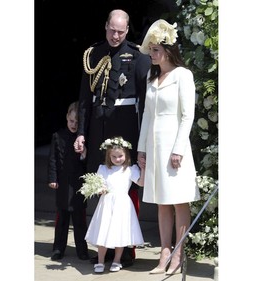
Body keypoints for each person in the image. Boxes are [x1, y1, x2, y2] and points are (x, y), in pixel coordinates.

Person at [74, 9, 151, 266]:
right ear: (105, 26)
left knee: (126, 186)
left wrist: (144, 138)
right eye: (111, 29)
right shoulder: (93, 54)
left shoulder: (138, 56)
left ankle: (126, 247)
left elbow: (146, 99)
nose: (115, 35)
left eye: (120, 31)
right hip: (99, 125)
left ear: (127, 30)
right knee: (100, 184)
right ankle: (103, 246)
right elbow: (85, 99)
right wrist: (82, 132)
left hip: (125, 124)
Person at [137, 19, 201, 275]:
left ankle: (178, 255)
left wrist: (179, 149)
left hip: (175, 147)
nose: (151, 54)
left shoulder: (182, 75)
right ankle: (164, 253)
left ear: (168, 50)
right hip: (154, 147)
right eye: (150, 49)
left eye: (155, 50)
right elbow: (147, 117)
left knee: (178, 202)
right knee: (162, 202)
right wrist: (142, 149)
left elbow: (187, 115)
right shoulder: (152, 79)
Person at [85, 136, 145, 273]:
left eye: (120, 156)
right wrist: (100, 189)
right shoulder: (103, 169)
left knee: (120, 232)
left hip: (122, 204)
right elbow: (98, 184)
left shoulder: (130, 170)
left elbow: (141, 183)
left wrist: (143, 169)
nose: (118, 159)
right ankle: (100, 261)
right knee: (103, 232)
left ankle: (117, 260)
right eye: (114, 157)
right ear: (108, 156)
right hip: (106, 204)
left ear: (126, 155)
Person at [47, 101, 89, 261]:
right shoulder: (57, 136)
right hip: (63, 184)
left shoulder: (83, 140)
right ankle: (58, 248)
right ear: (66, 117)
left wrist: (84, 153)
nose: (74, 125)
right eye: (71, 121)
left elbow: (87, 163)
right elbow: (52, 160)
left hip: (78, 185)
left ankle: (82, 250)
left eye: (77, 123)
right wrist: (53, 178)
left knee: (79, 220)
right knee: (62, 219)